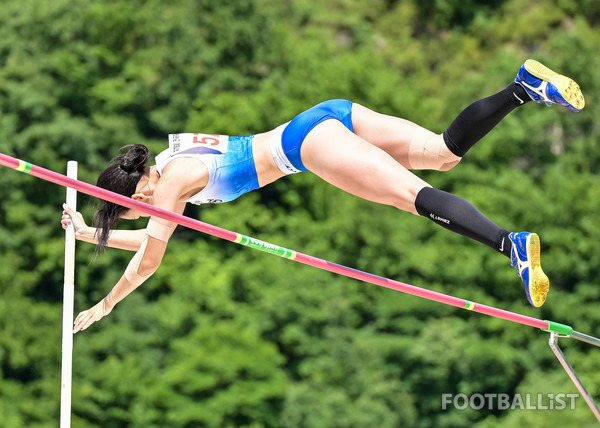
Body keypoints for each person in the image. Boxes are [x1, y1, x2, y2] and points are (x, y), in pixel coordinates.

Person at [62, 59, 584, 333]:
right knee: (442, 151)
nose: (145, 211)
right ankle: (522, 87)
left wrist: (104, 305)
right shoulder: (170, 165)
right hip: (322, 115)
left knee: (412, 195)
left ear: (142, 187)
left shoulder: (171, 185)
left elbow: (152, 257)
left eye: (134, 205)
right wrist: (90, 233)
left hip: (305, 146)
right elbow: (152, 234)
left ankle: (508, 244)